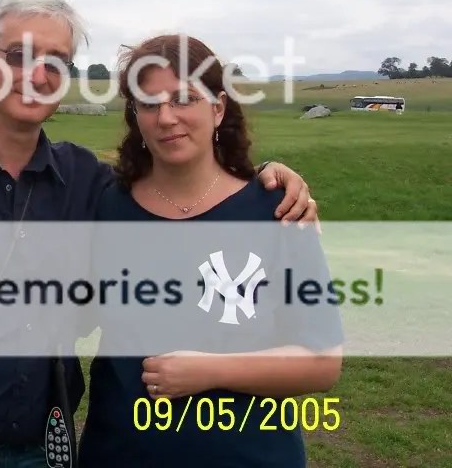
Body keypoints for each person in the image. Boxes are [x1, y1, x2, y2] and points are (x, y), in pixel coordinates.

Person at [0, 0, 319, 468]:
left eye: (56, 62)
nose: (38, 75)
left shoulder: (86, 182)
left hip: (44, 447)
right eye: (20, 55)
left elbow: (179, 186)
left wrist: (264, 182)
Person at [76, 34, 343, 468]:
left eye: (183, 99)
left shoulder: (276, 210)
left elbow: (322, 363)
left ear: (218, 108)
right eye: (148, 103)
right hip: (119, 453)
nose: (166, 117)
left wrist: (209, 371)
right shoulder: (106, 205)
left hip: (250, 456)